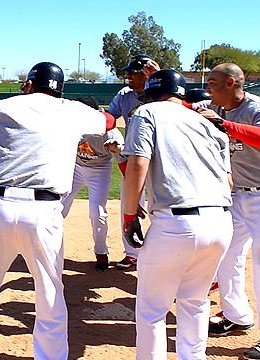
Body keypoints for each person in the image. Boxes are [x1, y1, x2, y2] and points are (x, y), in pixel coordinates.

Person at [0, 62, 116, 360]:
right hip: (44, 213)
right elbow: (108, 121)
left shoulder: (2, 106)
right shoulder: (73, 109)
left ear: (31, 84)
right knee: (49, 298)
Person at [122, 69, 233, 359]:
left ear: (150, 92)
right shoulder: (208, 124)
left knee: (152, 308)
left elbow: (136, 165)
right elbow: (229, 181)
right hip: (220, 220)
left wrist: (129, 216)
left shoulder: (147, 112)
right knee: (195, 302)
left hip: (177, 223)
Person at [194, 63, 260, 359]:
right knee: (226, 254)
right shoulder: (215, 105)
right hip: (241, 194)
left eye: (212, 82)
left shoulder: (256, 108)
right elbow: (185, 104)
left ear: (230, 84)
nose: (207, 88)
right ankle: (236, 315)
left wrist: (224, 125)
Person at [107, 55, 160, 270]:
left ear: (147, 75)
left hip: (160, 160)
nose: (128, 75)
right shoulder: (125, 95)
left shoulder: (160, 95)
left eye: (133, 72)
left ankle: (160, 254)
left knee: (159, 207)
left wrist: (157, 79)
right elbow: (110, 117)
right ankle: (132, 253)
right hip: (134, 157)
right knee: (127, 203)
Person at [62, 95, 125, 272]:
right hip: (75, 169)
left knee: (97, 213)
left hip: (99, 172)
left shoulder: (109, 131)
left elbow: (124, 160)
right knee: (57, 210)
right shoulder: (69, 125)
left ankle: (101, 252)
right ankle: (47, 249)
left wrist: (119, 149)